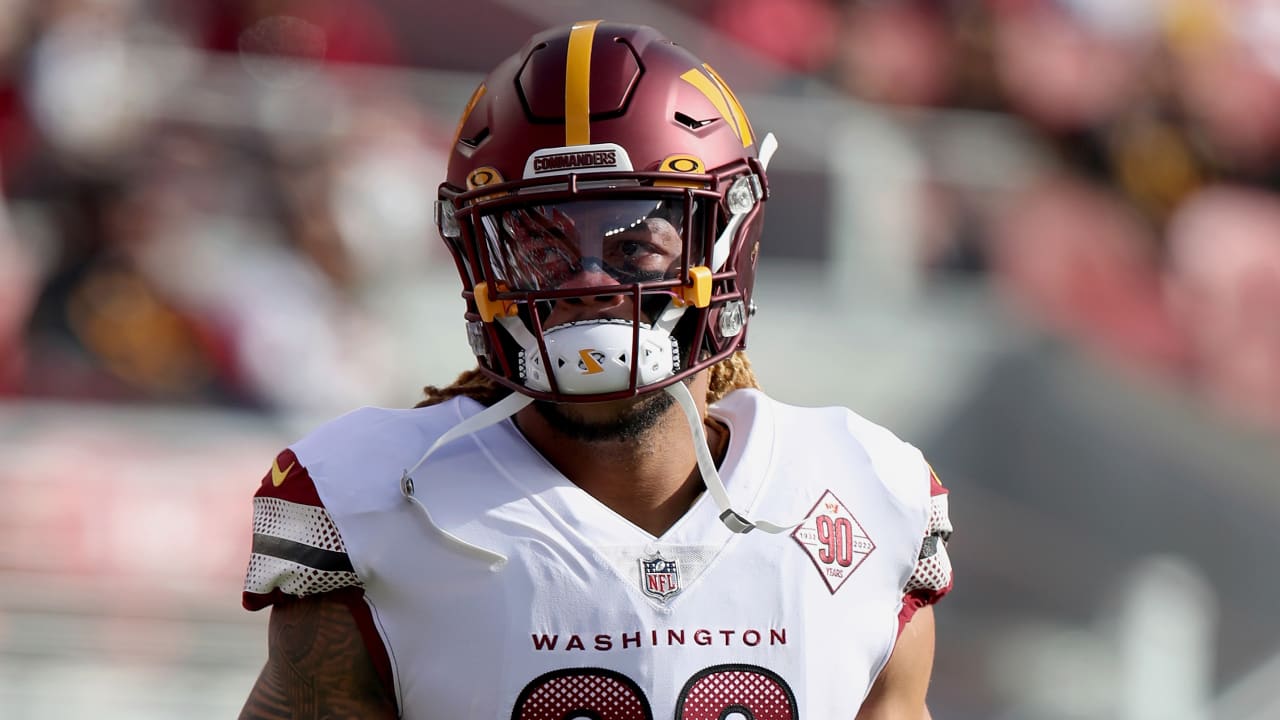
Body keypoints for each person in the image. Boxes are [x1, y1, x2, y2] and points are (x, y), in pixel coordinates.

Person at [238, 20, 953, 719]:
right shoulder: (377, 501)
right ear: (476, 257)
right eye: (541, 247)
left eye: (634, 244)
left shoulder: (867, 492)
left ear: (728, 244)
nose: (585, 284)